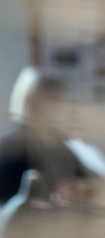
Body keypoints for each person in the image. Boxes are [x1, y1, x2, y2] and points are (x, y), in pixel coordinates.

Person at [0, 67, 88, 204]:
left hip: (62, 217)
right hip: (28, 221)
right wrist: (54, 190)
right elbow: (8, 194)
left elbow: (81, 175)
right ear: (32, 100)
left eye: (59, 99)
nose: (57, 106)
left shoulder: (58, 139)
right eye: (52, 99)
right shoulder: (11, 144)